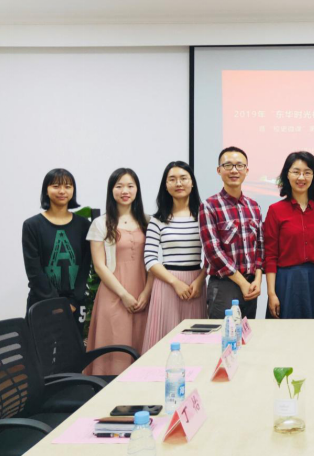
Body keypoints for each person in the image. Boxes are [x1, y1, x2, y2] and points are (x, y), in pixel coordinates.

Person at [86, 168, 153, 375]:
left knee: (142, 345)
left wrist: (146, 293)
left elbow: (154, 261)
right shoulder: (100, 223)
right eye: (119, 186)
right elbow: (99, 266)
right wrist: (124, 295)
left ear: (137, 190)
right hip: (114, 294)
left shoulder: (148, 221)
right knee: (115, 346)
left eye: (130, 186)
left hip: (143, 295)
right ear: (111, 190)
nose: (125, 191)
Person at [142, 161, 207, 352]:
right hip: (167, 284)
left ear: (192, 183)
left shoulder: (204, 216)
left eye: (183, 178)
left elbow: (212, 255)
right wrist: (175, 283)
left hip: (195, 285)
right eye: (172, 179)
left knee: (195, 343)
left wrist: (200, 281)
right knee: (165, 341)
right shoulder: (158, 220)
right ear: (166, 185)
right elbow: (150, 258)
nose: (178, 183)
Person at [264, 151, 314, 319]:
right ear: (287, 175)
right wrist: (271, 293)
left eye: (307, 172)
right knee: (286, 332)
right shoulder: (275, 210)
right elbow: (270, 256)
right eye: (296, 172)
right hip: (287, 282)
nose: (301, 177)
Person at [22, 168, 91, 331]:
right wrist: (57, 304)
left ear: (73, 191)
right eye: (56, 186)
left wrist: (73, 302)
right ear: (46, 190)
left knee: (73, 347)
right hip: (42, 303)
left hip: (74, 306)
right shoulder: (32, 225)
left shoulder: (84, 225)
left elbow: (84, 267)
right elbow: (34, 271)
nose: (62, 191)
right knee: (38, 347)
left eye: (68, 186)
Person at [200, 146, 264, 319]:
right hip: (223, 286)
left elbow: (260, 247)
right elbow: (212, 251)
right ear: (219, 170)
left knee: (248, 333)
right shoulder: (209, 206)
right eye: (228, 165)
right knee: (223, 333)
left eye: (239, 165)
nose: (234, 170)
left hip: (251, 285)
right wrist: (242, 282)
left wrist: (258, 280)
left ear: (246, 170)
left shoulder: (254, 206)